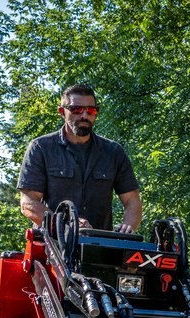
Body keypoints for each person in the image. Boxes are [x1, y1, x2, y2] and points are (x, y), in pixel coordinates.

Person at [17, 84, 142, 233]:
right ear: (62, 112)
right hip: (51, 242)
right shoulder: (41, 148)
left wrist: (128, 227)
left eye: (91, 110)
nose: (84, 115)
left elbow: (132, 200)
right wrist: (65, 225)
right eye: (76, 109)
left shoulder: (113, 152)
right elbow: (28, 203)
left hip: (100, 242)